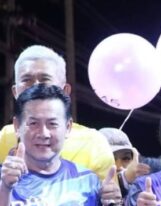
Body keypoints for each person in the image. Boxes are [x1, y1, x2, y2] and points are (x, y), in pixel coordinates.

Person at [0, 45, 115, 182]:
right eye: (26, 80)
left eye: (45, 80)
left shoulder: (94, 143)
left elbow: (109, 193)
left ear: (65, 91)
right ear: (15, 92)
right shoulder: (3, 138)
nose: (36, 88)